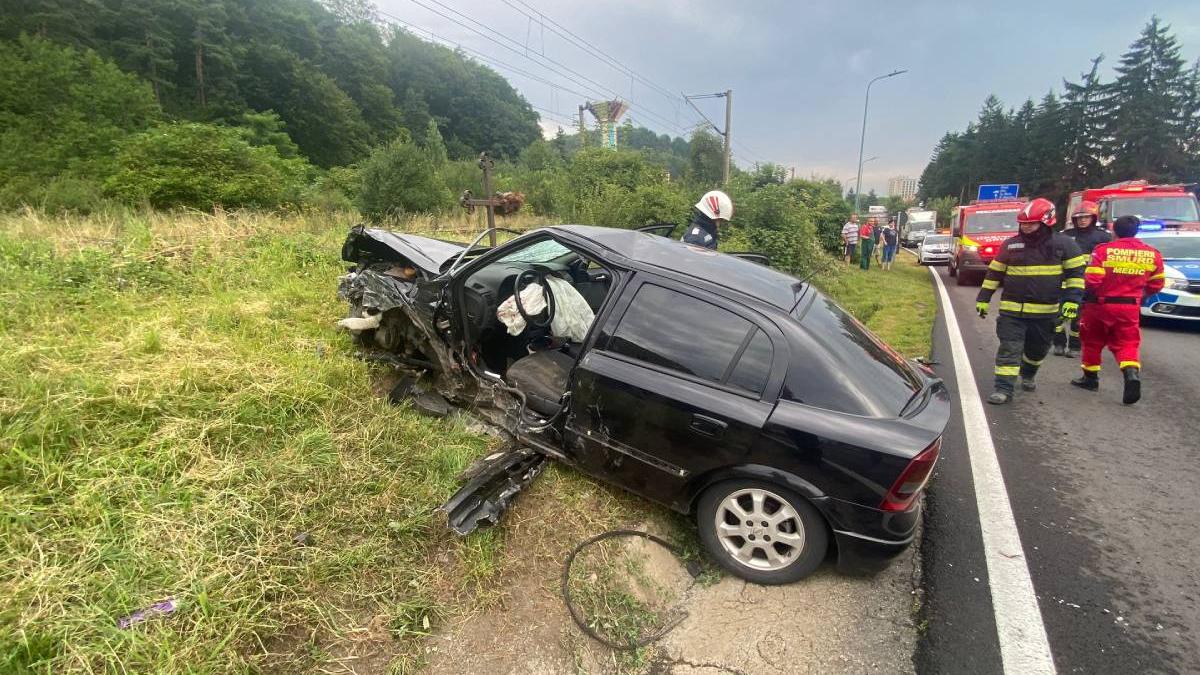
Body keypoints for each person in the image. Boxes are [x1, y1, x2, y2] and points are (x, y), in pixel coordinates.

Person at [975, 197, 1086, 404]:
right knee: (1009, 348)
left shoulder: (1065, 245)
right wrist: (983, 298)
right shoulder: (1011, 245)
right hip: (1012, 312)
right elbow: (994, 274)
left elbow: (1076, 276)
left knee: (1037, 350)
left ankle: (1028, 373)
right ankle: (1003, 388)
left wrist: (1072, 301)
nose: (1026, 227)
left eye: (1031, 223)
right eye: (1023, 223)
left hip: (1045, 314)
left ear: (1046, 222)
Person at [1071, 215, 1164, 405]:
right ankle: (1131, 374)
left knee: (1092, 341)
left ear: (1114, 230)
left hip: (1099, 305)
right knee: (1127, 342)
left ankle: (1090, 379)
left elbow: (1092, 280)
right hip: (1129, 307)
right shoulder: (1152, 254)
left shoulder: (1103, 251)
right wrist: (1138, 294)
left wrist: (1084, 297)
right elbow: (1157, 284)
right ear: (1136, 231)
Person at [1053, 200, 1112, 358]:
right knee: (1057, 316)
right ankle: (1058, 343)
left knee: (1078, 319)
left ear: (1093, 218)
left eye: (1086, 217)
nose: (1083, 220)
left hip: (1089, 284)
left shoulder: (1104, 237)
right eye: (1079, 217)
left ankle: (1075, 346)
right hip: (1064, 282)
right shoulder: (1065, 235)